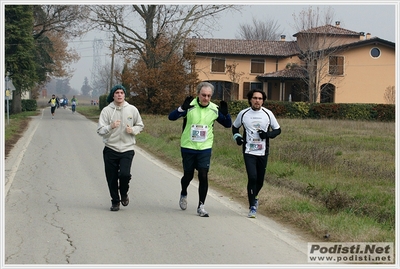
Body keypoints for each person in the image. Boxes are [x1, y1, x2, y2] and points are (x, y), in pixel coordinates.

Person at [168, 82, 232, 217]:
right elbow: (171, 117)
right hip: (188, 147)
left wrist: (226, 114)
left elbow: (227, 125)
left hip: (204, 148)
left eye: (209, 96)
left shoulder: (214, 109)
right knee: (188, 175)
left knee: (203, 175)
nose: (206, 98)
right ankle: (184, 192)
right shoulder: (189, 105)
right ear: (198, 94)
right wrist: (181, 109)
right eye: (203, 95)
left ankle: (201, 206)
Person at [232, 89, 281, 218]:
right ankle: (252, 206)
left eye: (260, 98)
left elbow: (278, 130)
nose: (257, 101)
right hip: (248, 150)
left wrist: (267, 135)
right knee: (252, 177)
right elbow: (235, 127)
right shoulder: (243, 113)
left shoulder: (268, 114)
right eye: (255, 98)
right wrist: (237, 137)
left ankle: (255, 196)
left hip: (263, 151)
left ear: (263, 100)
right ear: (250, 99)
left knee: (260, 181)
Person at [97, 85, 144, 211]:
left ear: (124, 95)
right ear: (113, 95)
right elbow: (100, 130)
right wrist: (110, 126)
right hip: (110, 148)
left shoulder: (132, 109)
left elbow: (140, 125)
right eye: (117, 93)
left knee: (125, 174)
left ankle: (123, 193)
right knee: (111, 177)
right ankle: (115, 201)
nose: (119, 95)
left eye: (122, 93)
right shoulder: (107, 111)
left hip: (127, 149)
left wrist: (132, 130)